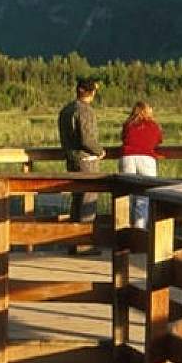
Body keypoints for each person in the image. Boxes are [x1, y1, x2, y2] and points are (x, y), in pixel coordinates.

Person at [58, 78, 104, 253]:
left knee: (77, 201)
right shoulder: (85, 111)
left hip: (72, 160)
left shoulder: (66, 110)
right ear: (89, 92)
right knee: (88, 201)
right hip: (87, 161)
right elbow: (87, 139)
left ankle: (73, 242)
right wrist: (99, 151)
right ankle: (84, 243)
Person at [119, 101, 163, 229]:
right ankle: (140, 228)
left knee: (127, 195)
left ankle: (125, 230)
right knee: (144, 195)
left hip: (127, 157)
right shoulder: (153, 125)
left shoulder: (128, 124)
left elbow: (124, 138)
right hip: (146, 159)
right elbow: (159, 140)